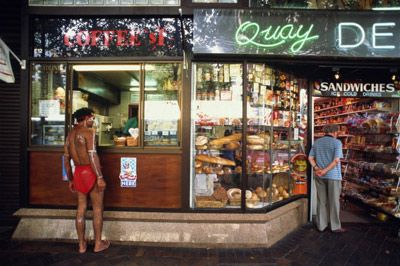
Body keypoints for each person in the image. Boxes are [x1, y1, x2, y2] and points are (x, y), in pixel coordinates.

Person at [64, 107, 110, 253]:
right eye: (92, 118)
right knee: (97, 209)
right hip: (90, 172)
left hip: (78, 173)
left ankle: (81, 245)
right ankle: (97, 244)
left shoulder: (70, 135)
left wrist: (70, 179)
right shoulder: (88, 133)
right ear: (85, 118)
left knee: (81, 209)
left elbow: (66, 159)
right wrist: (100, 177)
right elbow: (92, 156)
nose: (93, 120)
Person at [308, 124, 346, 233]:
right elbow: (336, 161)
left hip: (319, 175)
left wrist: (317, 168)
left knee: (321, 201)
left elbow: (310, 157)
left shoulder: (317, 142)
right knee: (334, 201)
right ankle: (335, 226)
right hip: (333, 176)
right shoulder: (337, 142)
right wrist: (325, 170)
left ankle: (321, 225)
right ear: (335, 132)